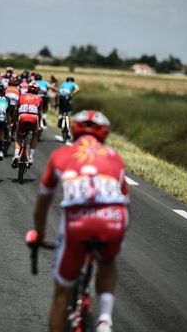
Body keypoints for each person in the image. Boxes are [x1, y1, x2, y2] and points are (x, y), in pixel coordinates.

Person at [28, 110, 128, 332]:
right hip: (113, 221)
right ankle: (104, 321)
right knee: (107, 261)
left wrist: (39, 234)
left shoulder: (61, 155)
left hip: (77, 225)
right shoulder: (114, 157)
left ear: (73, 130)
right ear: (105, 134)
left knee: (62, 289)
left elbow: (42, 203)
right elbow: (125, 204)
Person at [12, 82, 43, 166]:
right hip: (34, 118)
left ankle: (16, 155)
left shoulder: (21, 96)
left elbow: (15, 111)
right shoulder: (39, 98)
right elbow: (39, 113)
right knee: (35, 134)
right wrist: (39, 124)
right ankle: (30, 157)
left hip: (22, 116)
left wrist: (13, 122)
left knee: (19, 135)